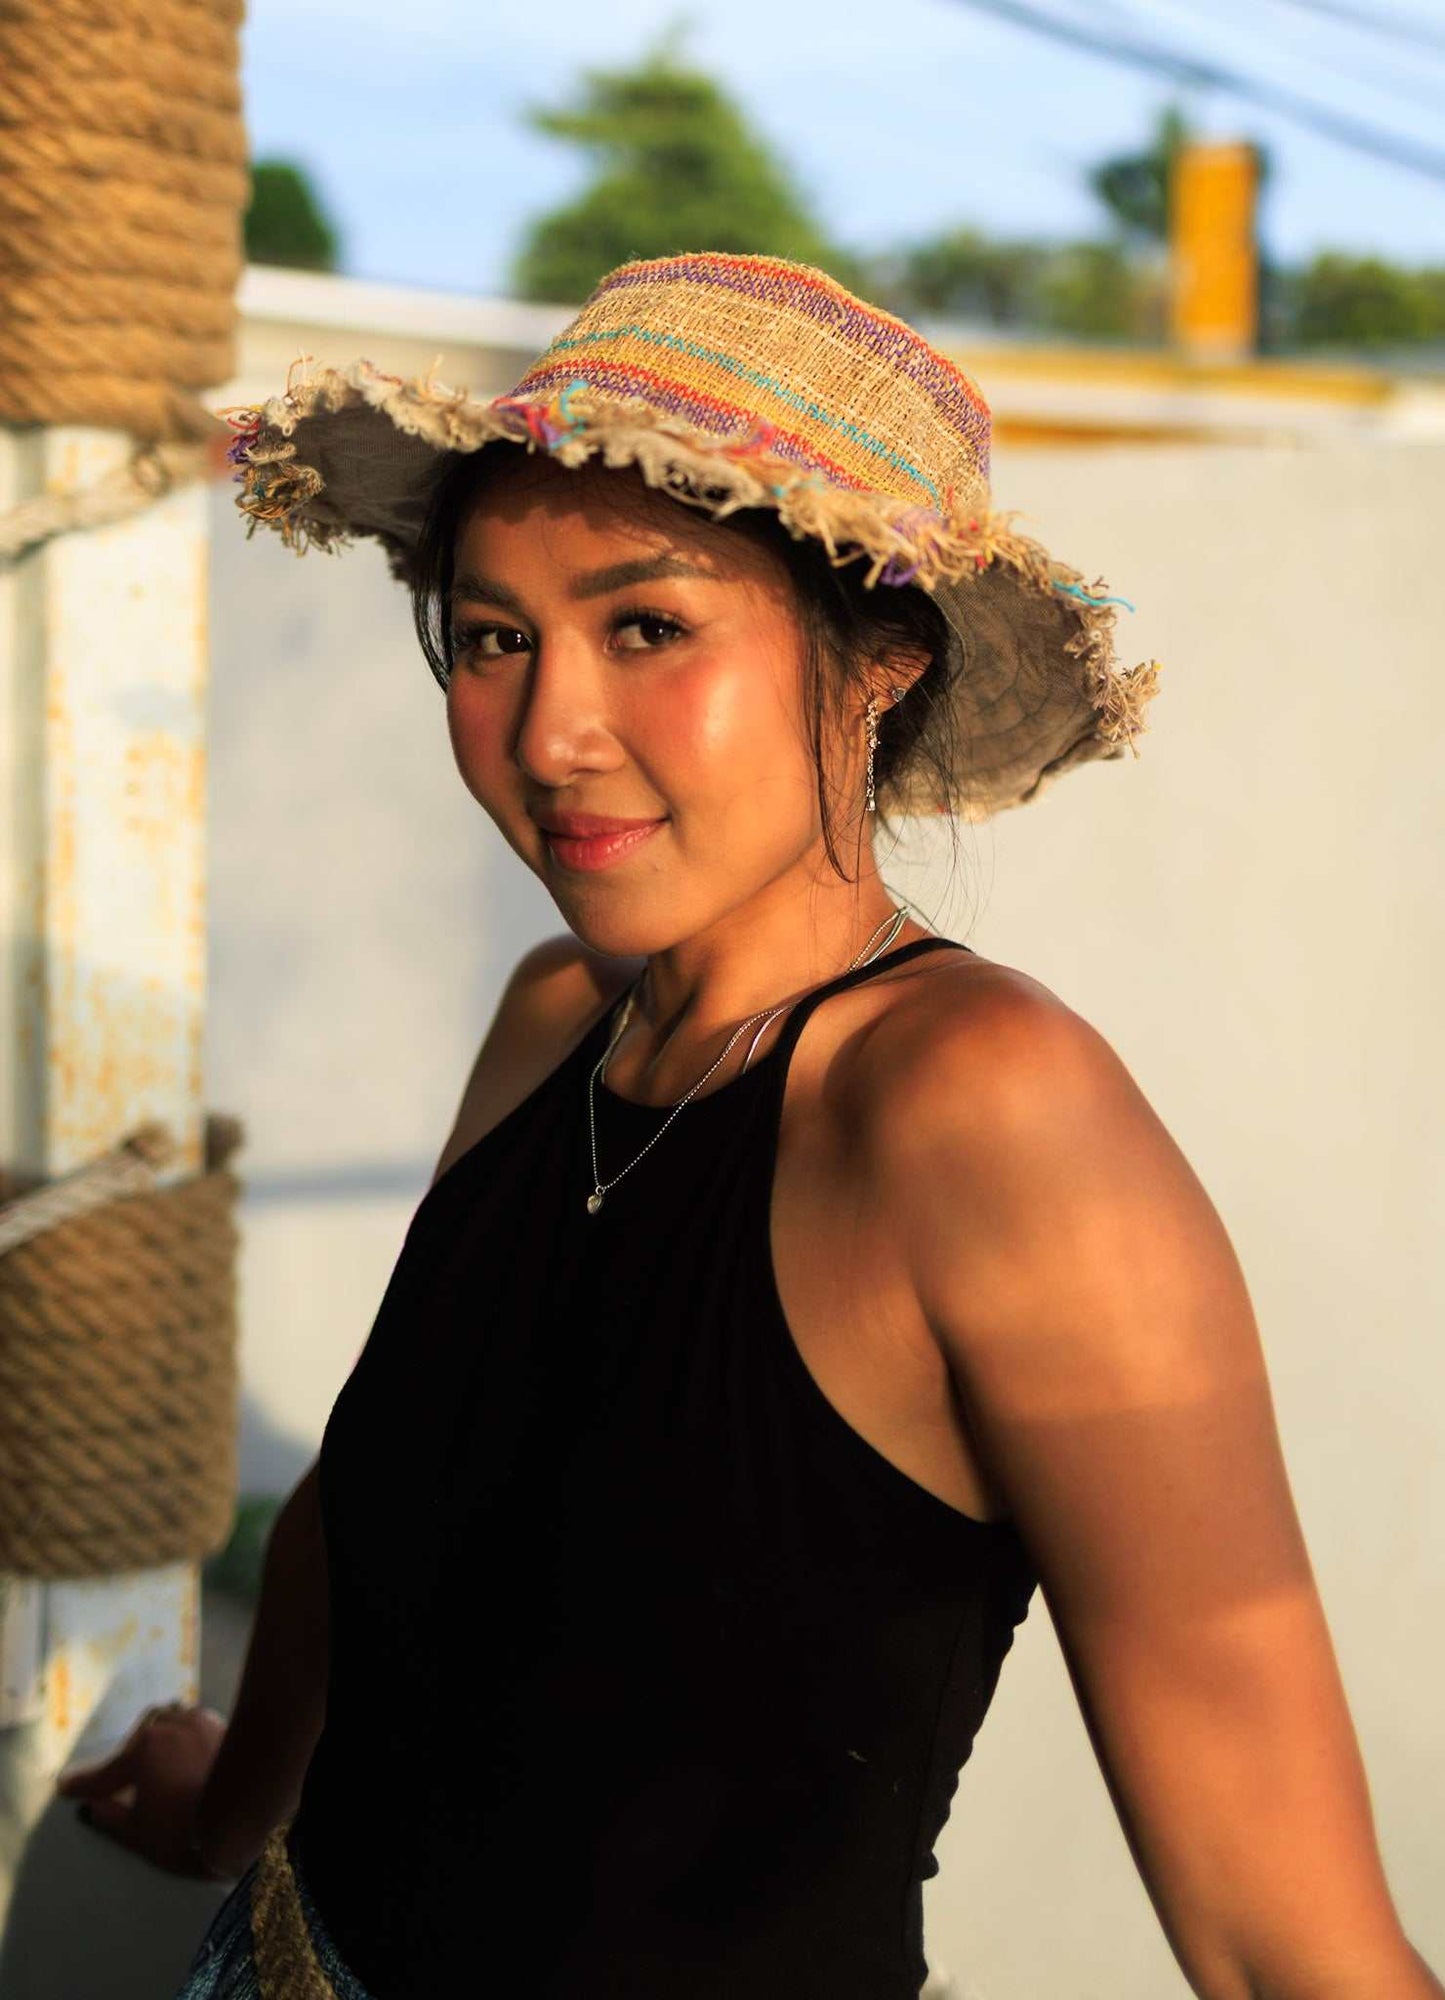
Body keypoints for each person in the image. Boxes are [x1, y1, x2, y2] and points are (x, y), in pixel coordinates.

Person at [56, 253, 1438, 1999]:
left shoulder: (987, 1113)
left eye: (646, 627)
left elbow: (1282, 1939)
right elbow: (380, 1489)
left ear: (877, 666)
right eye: (491, 639)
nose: (551, 733)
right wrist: (228, 1812)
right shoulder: (554, 1023)